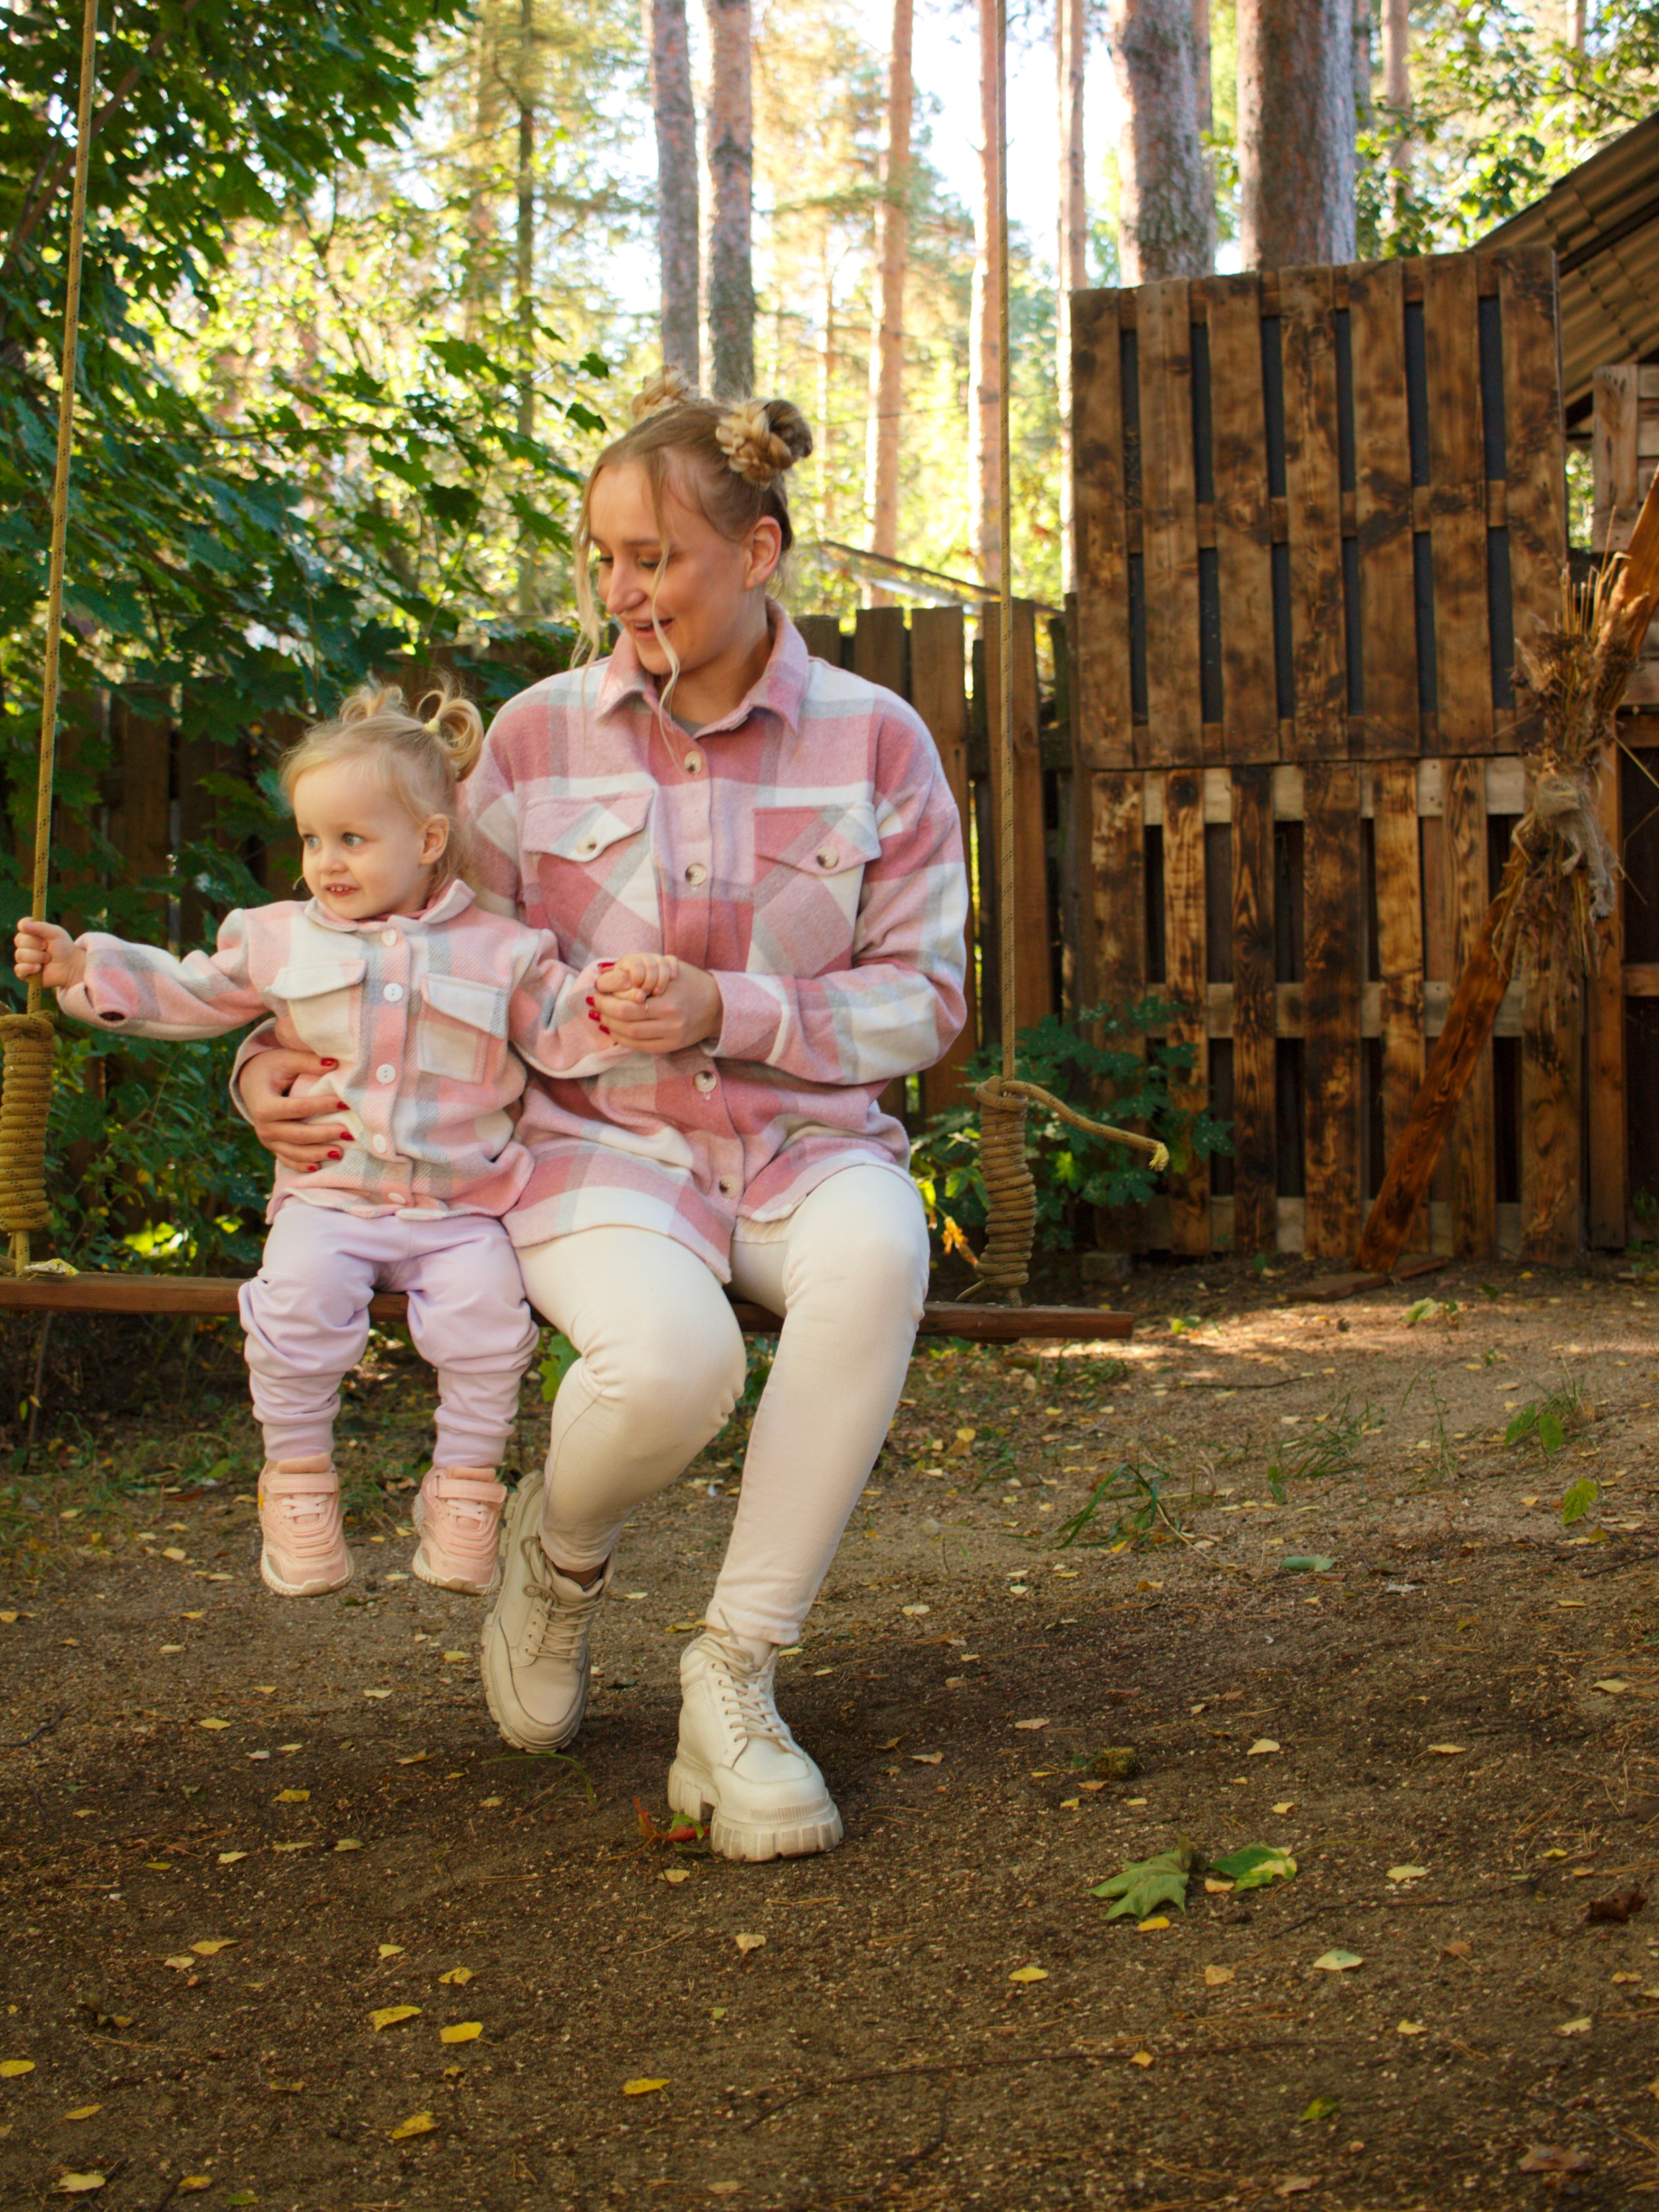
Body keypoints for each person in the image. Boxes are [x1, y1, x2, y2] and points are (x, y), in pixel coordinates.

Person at [234, 376, 969, 1862]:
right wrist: (265, 1069)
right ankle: (556, 1563)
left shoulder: (875, 741)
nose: (621, 591)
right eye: (602, 557)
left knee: (880, 1257)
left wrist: (732, 1010)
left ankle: (734, 1679)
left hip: (803, 1143)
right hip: (591, 1147)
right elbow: (405, 951)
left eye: (656, 558)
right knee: (676, 1363)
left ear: (756, 554)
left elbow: (927, 999)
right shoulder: (532, 736)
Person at [14, 686, 632, 1601]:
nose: (325, 863)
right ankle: (298, 1482)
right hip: (330, 1196)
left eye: (352, 839)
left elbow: (559, 1026)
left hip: (459, 1205)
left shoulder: (500, 950)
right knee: (293, 1308)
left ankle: (463, 1489)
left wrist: (621, 1002)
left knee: (488, 1326)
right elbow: (191, 990)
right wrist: (84, 968)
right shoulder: (276, 938)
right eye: (312, 840)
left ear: (427, 840)